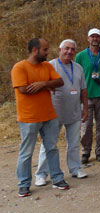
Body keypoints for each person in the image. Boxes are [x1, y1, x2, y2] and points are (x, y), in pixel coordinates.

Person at [11, 38, 68, 196]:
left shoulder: (47, 65)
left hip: (49, 116)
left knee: (52, 148)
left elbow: (59, 81)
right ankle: (23, 184)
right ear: (35, 50)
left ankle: (57, 178)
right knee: (26, 152)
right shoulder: (19, 67)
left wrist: (43, 85)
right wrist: (48, 85)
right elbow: (23, 89)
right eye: (45, 49)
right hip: (29, 118)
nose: (47, 52)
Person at [35, 40, 88, 185]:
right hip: (53, 113)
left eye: (72, 49)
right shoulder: (50, 65)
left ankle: (75, 168)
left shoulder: (78, 68)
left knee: (74, 143)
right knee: (48, 144)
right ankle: (41, 174)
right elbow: (41, 86)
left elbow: (83, 89)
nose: (69, 52)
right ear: (59, 49)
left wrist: (85, 108)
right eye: (66, 49)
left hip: (74, 112)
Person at [75, 28, 100, 164]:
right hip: (85, 96)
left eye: (97, 37)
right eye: (92, 37)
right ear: (88, 39)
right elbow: (75, 74)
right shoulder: (81, 56)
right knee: (85, 126)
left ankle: (99, 152)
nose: (95, 39)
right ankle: (85, 152)